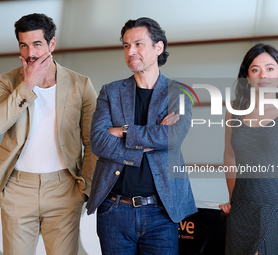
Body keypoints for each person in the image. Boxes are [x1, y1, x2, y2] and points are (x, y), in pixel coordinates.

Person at [0, 13, 98, 255]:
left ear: (51, 44)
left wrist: (84, 187)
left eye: (37, 44)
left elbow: (93, 142)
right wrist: (28, 85)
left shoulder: (81, 84)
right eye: (24, 45)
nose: (30, 53)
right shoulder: (7, 81)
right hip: (17, 188)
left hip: (65, 189)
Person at [86, 17, 197, 254]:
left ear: (159, 48)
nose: (131, 51)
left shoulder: (179, 93)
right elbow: (98, 141)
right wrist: (149, 141)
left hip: (161, 211)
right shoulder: (111, 91)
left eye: (138, 44)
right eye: (126, 45)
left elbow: (172, 138)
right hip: (114, 210)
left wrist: (123, 131)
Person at [219, 44, 278, 255]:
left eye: (270, 68)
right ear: (247, 77)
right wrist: (233, 199)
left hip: (274, 211)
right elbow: (230, 157)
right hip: (240, 212)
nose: (263, 75)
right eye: (255, 69)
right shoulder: (233, 114)